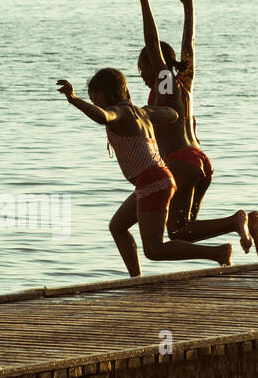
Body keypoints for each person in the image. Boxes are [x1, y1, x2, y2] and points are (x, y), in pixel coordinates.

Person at [56, 68, 233, 276]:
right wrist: (148, 112)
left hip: (152, 181)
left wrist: (74, 99)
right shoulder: (142, 112)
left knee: (154, 248)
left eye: (95, 94)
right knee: (118, 227)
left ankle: (218, 253)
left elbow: (103, 117)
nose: (92, 99)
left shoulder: (119, 112)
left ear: (109, 94)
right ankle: (135, 278)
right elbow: (172, 114)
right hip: (158, 178)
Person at [135, 0, 258, 254]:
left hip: (181, 161)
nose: (141, 75)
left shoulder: (164, 79)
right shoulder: (185, 81)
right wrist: (189, 6)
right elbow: (189, 45)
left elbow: (152, 42)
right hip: (200, 160)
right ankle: (240, 221)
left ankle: (236, 221)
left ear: (153, 64)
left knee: (175, 231)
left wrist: (144, 0)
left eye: (142, 69)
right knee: (185, 229)